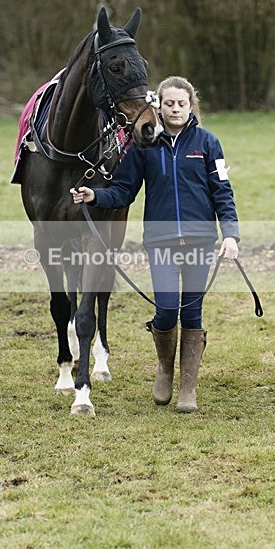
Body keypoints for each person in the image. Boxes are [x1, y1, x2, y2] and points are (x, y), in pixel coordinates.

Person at [71, 76, 239, 413]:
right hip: (160, 241)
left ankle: (187, 387)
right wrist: (95, 195)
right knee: (165, 310)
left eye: (181, 103)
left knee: (192, 312)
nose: (175, 109)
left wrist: (231, 234)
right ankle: (164, 370)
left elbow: (223, 191)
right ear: (158, 107)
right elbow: (123, 190)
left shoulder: (208, 143)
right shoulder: (144, 148)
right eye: (169, 104)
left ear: (191, 106)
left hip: (201, 240)